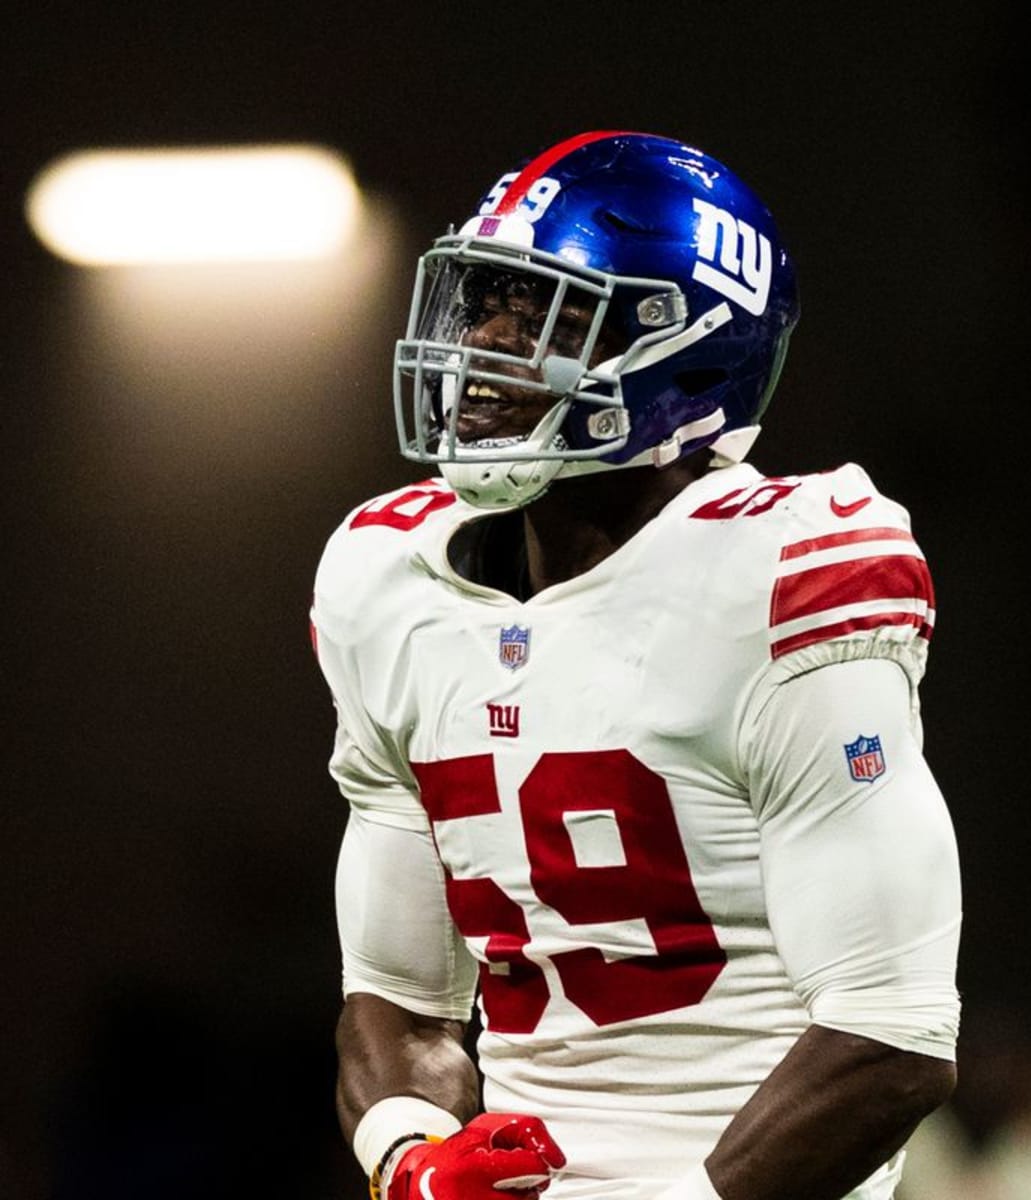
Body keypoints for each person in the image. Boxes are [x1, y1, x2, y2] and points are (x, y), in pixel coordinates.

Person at [310, 130, 962, 1200]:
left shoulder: (779, 573)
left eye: (541, 321)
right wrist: (411, 1161)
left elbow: (890, 1039)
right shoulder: (388, 584)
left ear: (682, 347)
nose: (481, 354)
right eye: (481, 309)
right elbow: (402, 999)